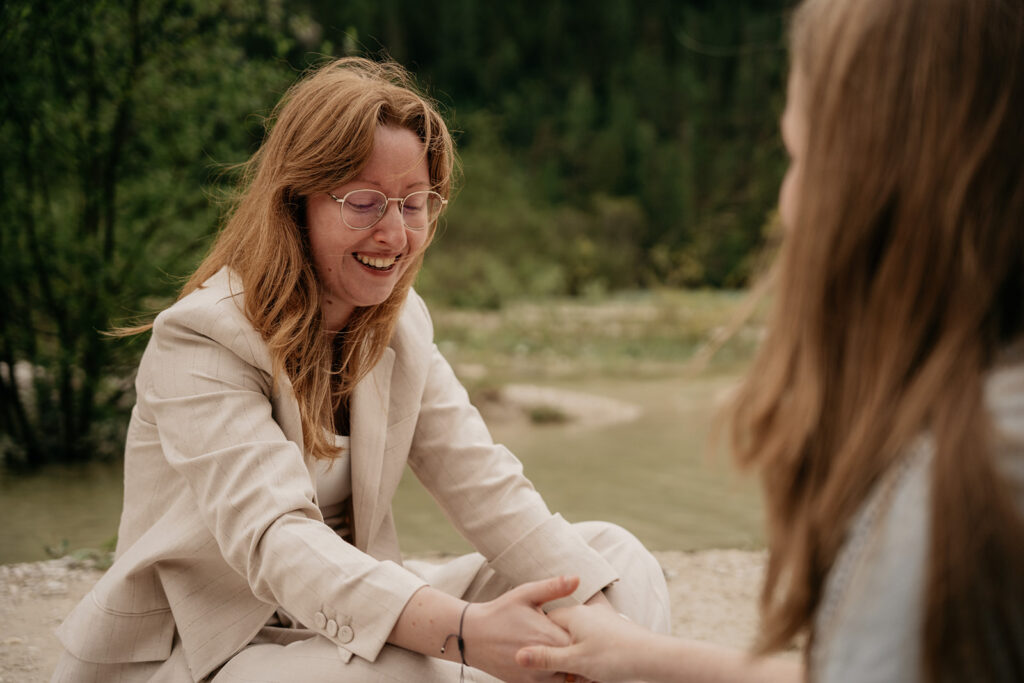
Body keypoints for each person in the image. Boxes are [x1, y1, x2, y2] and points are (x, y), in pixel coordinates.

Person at [52, 57, 670, 683]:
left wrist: (595, 619)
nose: (395, 233)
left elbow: (485, 486)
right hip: (206, 645)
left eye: (414, 202)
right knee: (403, 669)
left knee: (615, 563)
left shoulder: (402, 327)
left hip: (337, 626)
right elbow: (278, 540)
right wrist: (464, 632)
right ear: (296, 205)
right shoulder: (203, 336)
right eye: (365, 202)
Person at [516, 0, 1024, 681]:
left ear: (881, 189)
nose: (787, 204)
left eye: (797, 157)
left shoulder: (954, 507)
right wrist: (640, 654)